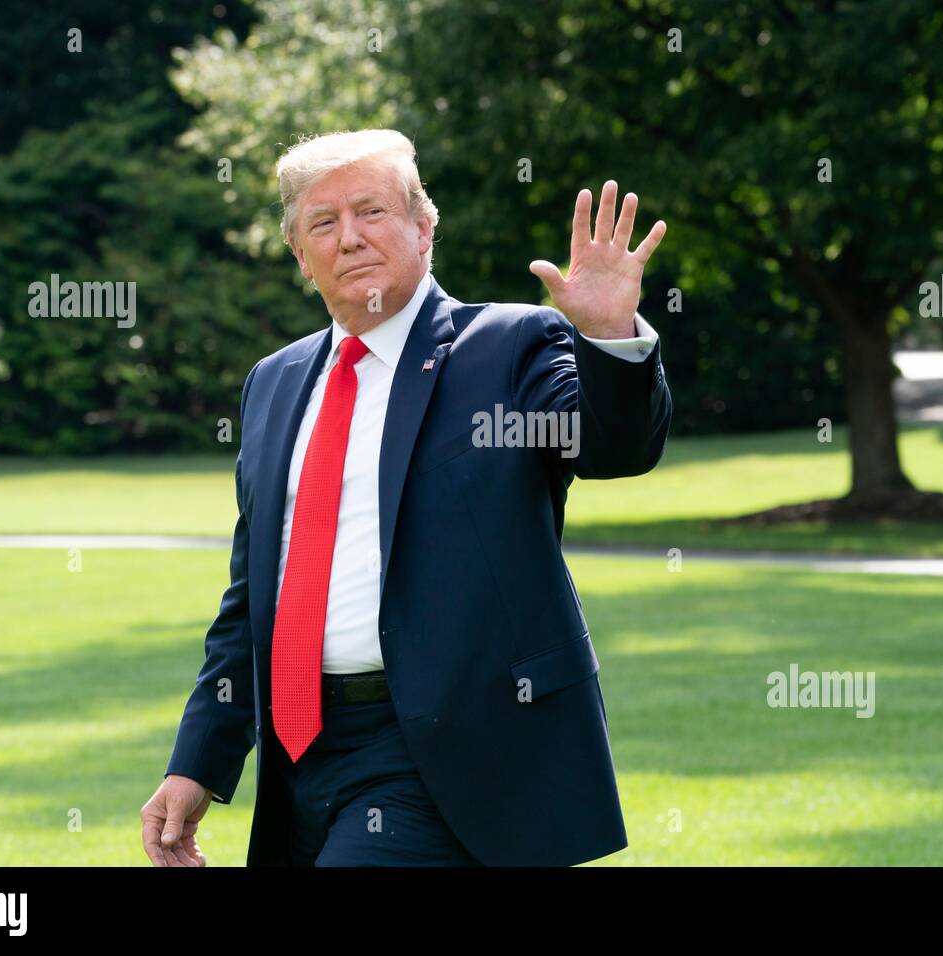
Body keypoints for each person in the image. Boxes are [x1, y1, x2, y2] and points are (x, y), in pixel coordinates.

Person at [140, 128, 671, 866]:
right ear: (300, 253)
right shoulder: (274, 382)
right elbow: (253, 598)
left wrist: (610, 335)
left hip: (447, 749)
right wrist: (197, 761)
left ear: (424, 226)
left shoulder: (507, 348)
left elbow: (616, 448)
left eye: (372, 212)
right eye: (323, 223)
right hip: (303, 757)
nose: (349, 237)